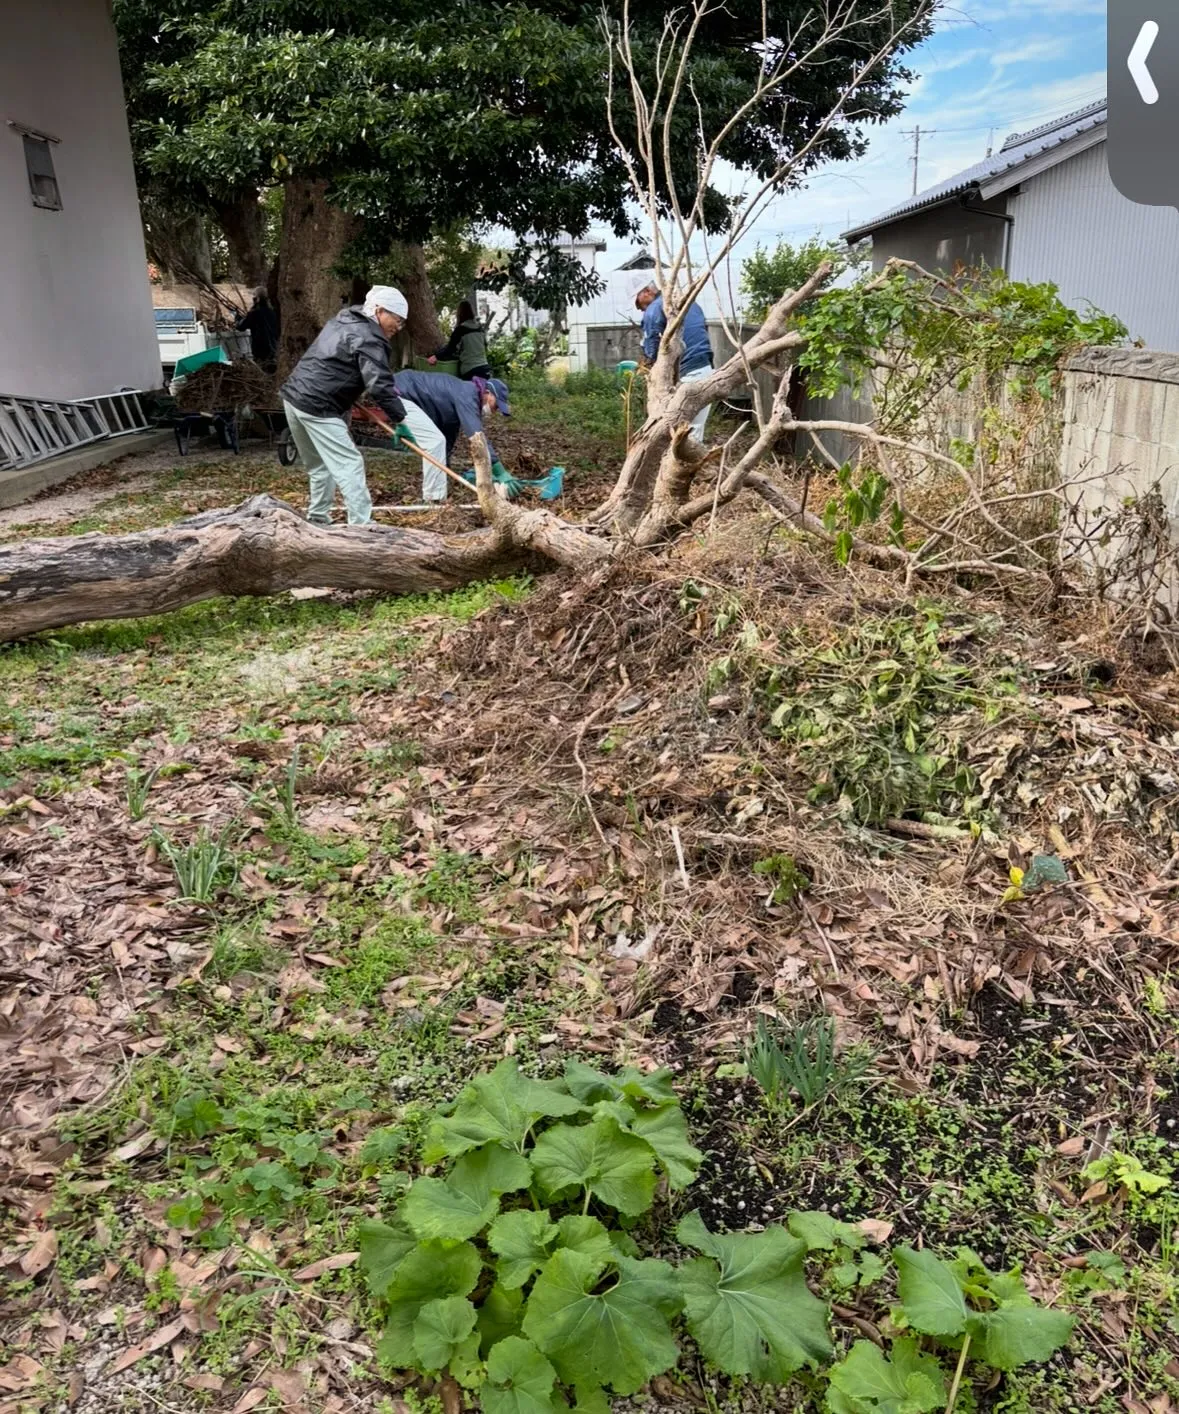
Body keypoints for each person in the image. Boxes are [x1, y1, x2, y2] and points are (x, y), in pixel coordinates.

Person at [279, 285, 412, 525]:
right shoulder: (370, 337)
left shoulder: (344, 320)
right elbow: (380, 385)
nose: (398, 327)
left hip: (294, 398)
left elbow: (337, 365)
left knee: (320, 467)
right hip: (318, 406)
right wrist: (400, 419)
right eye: (397, 320)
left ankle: (318, 519)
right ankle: (362, 526)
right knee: (349, 463)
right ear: (380, 311)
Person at [393, 369, 511, 501]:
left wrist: (445, 470)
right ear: (487, 393)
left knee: (440, 442)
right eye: (496, 405)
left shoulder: (463, 399)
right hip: (400, 391)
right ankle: (434, 500)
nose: (495, 411)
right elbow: (477, 436)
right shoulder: (468, 394)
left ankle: (437, 493)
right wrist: (499, 470)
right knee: (435, 442)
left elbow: (448, 436)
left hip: (407, 392)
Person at [635, 282, 714, 442]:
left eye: (638, 303)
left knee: (672, 433)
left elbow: (652, 352)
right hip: (705, 368)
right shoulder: (690, 302)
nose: (640, 309)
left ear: (647, 292)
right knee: (694, 433)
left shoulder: (654, 310)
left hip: (684, 373)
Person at [428, 300, 491, 379]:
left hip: (470, 370)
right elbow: (485, 346)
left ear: (459, 313)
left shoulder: (461, 330)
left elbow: (450, 349)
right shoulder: (480, 328)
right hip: (485, 368)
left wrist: (436, 357)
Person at [235, 287, 279, 368]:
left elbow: (241, 327)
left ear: (256, 299)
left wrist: (237, 319)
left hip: (259, 348)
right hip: (273, 347)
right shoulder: (273, 312)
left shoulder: (254, 313)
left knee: (262, 368)